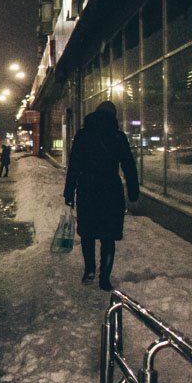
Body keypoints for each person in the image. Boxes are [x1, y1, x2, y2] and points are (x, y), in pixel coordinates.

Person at [63, 100, 140, 291]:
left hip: (87, 188)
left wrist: (69, 191)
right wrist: (133, 189)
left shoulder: (83, 135)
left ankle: (89, 270)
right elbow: (128, 165)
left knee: (88, 233)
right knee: (108, 236)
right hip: (110, 190)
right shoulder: (117, 136)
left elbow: (74, 165)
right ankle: (104, 277)